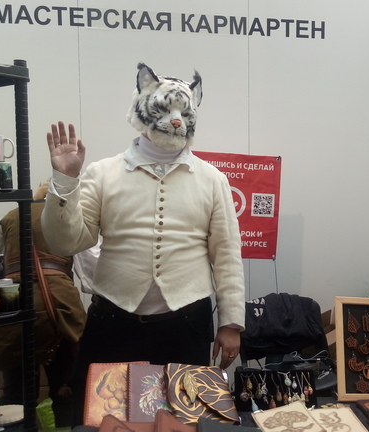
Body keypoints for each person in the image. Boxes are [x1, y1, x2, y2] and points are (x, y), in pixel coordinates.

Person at [40, 63, 246, 426]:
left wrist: (231, 323)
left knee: (181, 426)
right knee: (106, 423)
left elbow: (227, 255)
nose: (176, 120)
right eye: (166, 110)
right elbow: (67, 241)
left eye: (184, 112)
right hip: (113, 323)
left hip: (186, 326)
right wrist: (65, 181)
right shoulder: (103, 172)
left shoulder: (213, 180)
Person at [0, 180, 87, 427]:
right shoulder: (69, 217)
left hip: (15, 304)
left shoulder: (7, 219)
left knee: (16, 395)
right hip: (60, 307)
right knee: (66, 390)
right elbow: (89, 271)